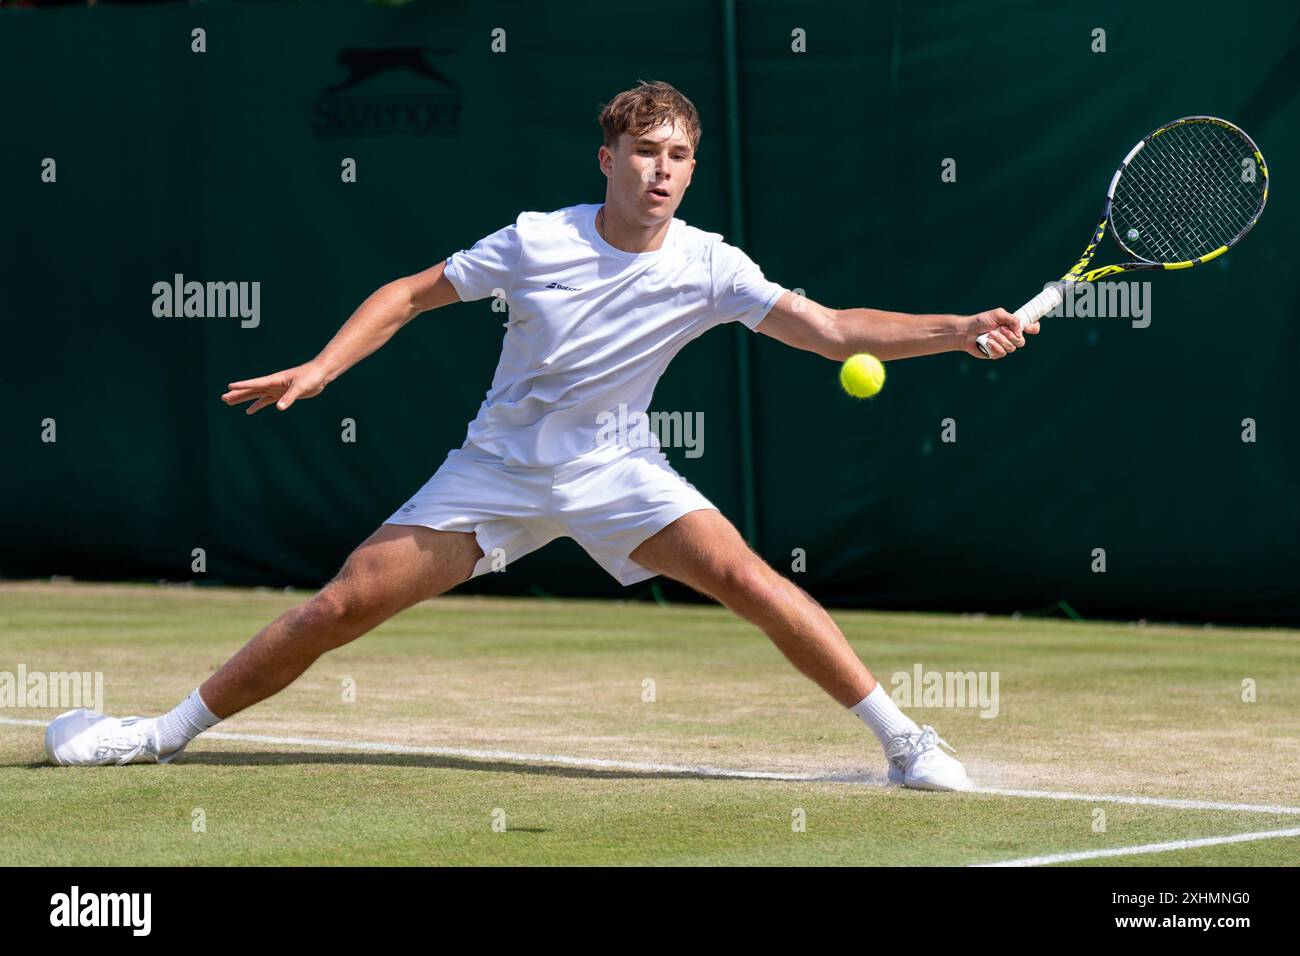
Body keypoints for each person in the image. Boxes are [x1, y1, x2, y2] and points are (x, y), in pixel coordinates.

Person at [46, 80, 1036, 790]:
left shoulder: (711, 264)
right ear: (607, 157)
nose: (662, 169)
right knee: (340, 603)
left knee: (750, 581)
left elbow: (830, 332)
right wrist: (319, 368)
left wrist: (958, 329)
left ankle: (906, 742)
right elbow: (406, 294)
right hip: (496, 471)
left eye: (680, 154)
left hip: (619, 470)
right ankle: (156, 733)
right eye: (645, 150)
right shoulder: (534, 240)